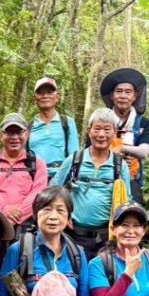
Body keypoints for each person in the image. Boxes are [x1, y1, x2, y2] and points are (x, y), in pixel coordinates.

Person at [52, 108, 132, 260]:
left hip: (106, 238)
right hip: (73, 235)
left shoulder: (119, 165)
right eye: (97, 129)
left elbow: (125, 203)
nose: (101, 135)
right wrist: (62, 215)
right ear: (89, 131)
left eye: (107, 129)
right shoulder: (75, 160)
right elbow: (52, 191)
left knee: (101, 280)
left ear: (114, 132)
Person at [0, 113, 47, 231]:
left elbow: (38, 195)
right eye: (10, 132)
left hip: (24, 227)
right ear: (1, 135)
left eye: (19, 132)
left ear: (26, 134)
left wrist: (14, 218)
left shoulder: (37, 164)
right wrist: (2, 210)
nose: (15, 137)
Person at [100, 68, 149, 204]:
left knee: (133, 221)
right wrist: (115, 155)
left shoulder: (143, 123)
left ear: (135, 96)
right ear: (111, 96)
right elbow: (90, 151)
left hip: (132, 180)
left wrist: (121, 149)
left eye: (128, 92)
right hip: (103, 180)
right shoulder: (100, 121)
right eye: (119, 91)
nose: (123, 96)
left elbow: (143, 152)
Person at [27, 77, 79, 180]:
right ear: (34, 98)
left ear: (57, 97)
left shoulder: (67, 122)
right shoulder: (28, 127)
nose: (45, 96)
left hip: (61, 178)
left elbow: (74, 157)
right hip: (35, 179)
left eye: (50, 92)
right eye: (41, 93)